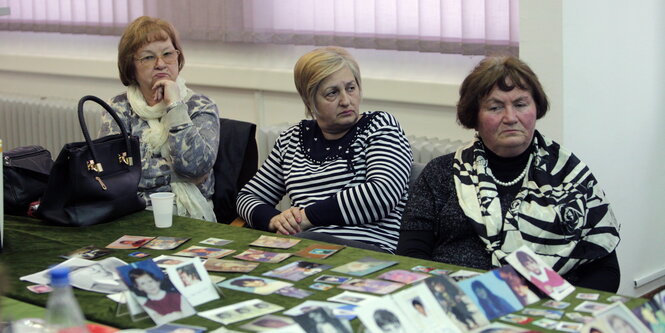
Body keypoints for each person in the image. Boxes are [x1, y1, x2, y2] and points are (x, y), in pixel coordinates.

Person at [397, 56, 621, 292]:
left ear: (536, 108)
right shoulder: (441, 173)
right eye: (495, 107)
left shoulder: (570, 177)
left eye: (521, 104)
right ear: (474, 117)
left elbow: (605, 271)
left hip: (547, 308)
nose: (511, 117)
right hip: (456, 302)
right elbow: (411, 258)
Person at [236, 46, 412, 253]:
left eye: (351, 88)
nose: (346, 101)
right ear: (309, 101)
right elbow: (248, 196)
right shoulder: (291, 139)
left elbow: (382, 193)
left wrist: (305, 218)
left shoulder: (380, 126)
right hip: (303, 246)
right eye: (332, 93)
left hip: (366, 250)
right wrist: (276, 220)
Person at [100, 16, 220, 222]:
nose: (160, 64)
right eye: (147, 57)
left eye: (168, 54)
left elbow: (195, 167)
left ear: (178, 58)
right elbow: (115, 177)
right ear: (131, 65)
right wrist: (180, 175)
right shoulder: (117, 108)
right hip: (134, 214)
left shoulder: (200, 106)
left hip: (192, 218)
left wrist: (175, 106)